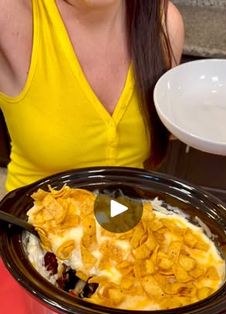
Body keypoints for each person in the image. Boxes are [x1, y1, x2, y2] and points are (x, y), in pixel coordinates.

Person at [0, 0, 184, 192]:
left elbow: (167, 130)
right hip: (32, 215)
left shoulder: (163, 21)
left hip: (125, 213)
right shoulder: (10, 12)